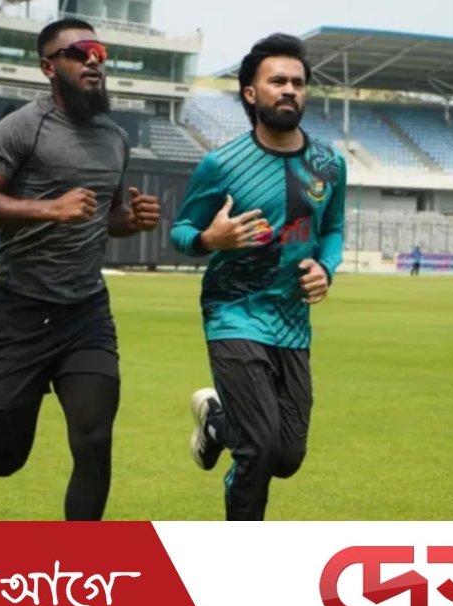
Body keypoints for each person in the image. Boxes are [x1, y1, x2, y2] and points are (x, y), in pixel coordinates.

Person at [0, 18, 162, 521]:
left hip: (85, 312)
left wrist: (130, 221)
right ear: (48, 67)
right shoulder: (22, 127)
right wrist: (48, 209)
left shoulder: (115, 138)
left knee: (94, 441)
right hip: (21, 311)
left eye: (99, 51)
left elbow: (103, 216)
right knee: (5, 458)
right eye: (78, 52)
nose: (93, 59)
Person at [169, 33, 347, 521]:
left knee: (286, 457)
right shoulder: (221, 164)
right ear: (251, 93)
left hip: (292, 320)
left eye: (298, 82)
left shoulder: (329, 164)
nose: (289, 89)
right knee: (260, 449)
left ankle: (218, 422)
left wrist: (326, 269)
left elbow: (333, 229)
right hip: (234, 312)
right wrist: (210, 239)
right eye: (277, 81)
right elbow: (180, 231)